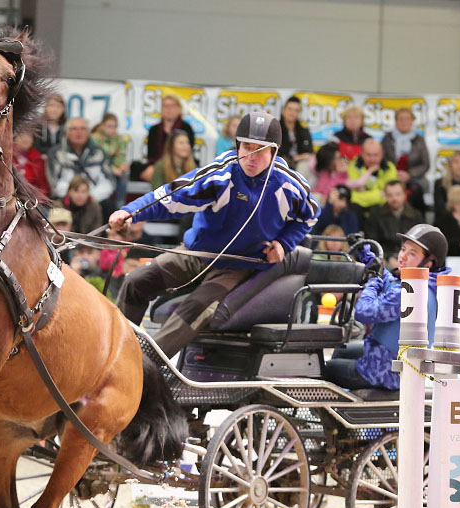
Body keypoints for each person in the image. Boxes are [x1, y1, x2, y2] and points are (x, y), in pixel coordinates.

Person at [109, 111, 319, 357]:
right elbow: (171, 196)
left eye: (260, 150)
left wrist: (284, 243)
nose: (251, 157)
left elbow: (309, 216)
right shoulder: (220, 174)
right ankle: (118, 352)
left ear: (274, 152)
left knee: (198, 306)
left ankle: (145, 365)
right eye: (246, 147)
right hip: (196, 253)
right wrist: (131, 211)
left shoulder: (289, 185)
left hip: (238, 266)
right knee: (136, 281)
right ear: (238, 145)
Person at [325, 225, 450, 390]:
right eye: (403, 249)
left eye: (412, 254)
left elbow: (364, 312)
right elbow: (389, 282)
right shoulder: (423, 284)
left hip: (385, 373)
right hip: (391, 362)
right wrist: (368, 257)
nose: (403, 257)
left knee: (326, 368)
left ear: (428, 264)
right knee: (343, 351)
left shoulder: (410, 291)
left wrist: (372, 282)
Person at [48, 117, 115, 204]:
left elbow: (109, 181)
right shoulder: (56, 153)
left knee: (109, 206)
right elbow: (54, 183)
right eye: (74, 129)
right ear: (67, 133)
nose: (79, 132)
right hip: (66, 198)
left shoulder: (99, 152)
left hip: (95, 198)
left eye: (83, 129)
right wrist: (75, 196)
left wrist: (91, 197)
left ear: (88, 132)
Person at [381, 108, 429, 213]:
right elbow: (382, 160)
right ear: (396, 121)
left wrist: (409, 174)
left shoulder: (419, 139)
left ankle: (418, 220)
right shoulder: (387, 138)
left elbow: (425, 164)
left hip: (413, 178)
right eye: (401, 119)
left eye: (407, 119)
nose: (404, 122)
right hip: (391, 175)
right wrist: (393, 173)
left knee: (415, 189)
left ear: (412, 121)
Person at [364, 180, 423, 262]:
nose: (394, 198)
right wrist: (388, 258)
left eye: (398, 194)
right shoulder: (375, 216)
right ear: (385, 196)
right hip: (384, 259)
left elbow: (420, 244)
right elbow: (373, 243)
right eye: (390, 195)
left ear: (404, 195)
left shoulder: (416, 216)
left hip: (410, 259)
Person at [346, 138, 397, 212]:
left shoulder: (389, 168)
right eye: (368, 155)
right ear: (362, 154)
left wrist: (362, 194)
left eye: (376, 155)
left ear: (382, 155)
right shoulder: (353, 166)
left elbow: (390, 195)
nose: (372, 159)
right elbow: (352, 196)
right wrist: (378, 195)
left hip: (381, 209)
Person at [91, 113, 130, 202]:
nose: (112, 129)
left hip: (115, 170)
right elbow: (97, 160)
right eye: (109, 126)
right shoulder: (94, 139)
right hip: (98, 168)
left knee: (124, 175)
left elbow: (120, 158)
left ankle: (120, 207)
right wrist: (112, 169)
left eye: (115, 127)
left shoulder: (121, 140)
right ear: (102, 126)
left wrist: (121, 166)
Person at [433, 150, 460, 216]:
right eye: (456, 162)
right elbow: (440, 209)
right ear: (450, 165)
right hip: (446, 219)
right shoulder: (440, 184)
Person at [278, 97, 314, 172]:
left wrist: (298, 158)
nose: (292, 113)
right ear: (283, 111)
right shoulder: (276, 130)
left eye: (296, 110)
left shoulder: (304, 131)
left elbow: (309, 152)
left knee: (306, 165)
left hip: (300, 165)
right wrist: (294, 158)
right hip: (281, 164)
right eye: (290, 109)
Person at [11, 130, 50, 197]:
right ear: (15, 138)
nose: (26, 139)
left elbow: (43, 186)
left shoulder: (38, 159)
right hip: (11, 197)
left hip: (32, 199)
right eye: (22, 135)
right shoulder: (8, 156)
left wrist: (38, 200)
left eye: (29, 136)